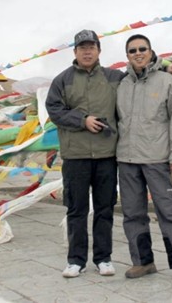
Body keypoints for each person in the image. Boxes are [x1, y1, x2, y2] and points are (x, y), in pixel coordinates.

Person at [115, 34, 172, 285]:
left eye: (142, 49)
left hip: (157, 159)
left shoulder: (167, 80)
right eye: (132, 50)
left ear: (151, 51)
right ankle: (143, 261)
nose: (138, 53)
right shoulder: (121, 84)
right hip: (127, 159)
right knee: (132, 214)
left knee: (169, 212)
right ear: (127, 55)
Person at [46, 29, 120, 278]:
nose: (87, 52)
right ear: (75, 51)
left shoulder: (114, 77)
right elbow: (54, 110)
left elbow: (140, 79)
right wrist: (82, 120)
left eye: (91, 47)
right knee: (76, 210)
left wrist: (165, 67)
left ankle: (103, 258)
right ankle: (76, 260)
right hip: (75, 156)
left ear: (99, 50)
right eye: (82, 48)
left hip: (106, 154)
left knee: (104, 208)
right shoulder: (62, 80)